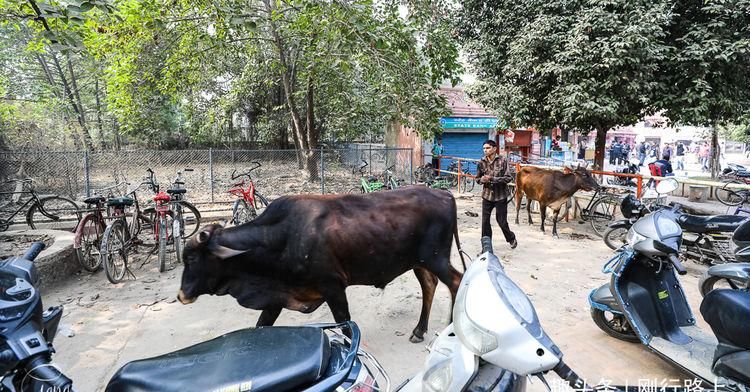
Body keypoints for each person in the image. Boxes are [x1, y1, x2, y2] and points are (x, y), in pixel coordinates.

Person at [476, 140, 517, 249]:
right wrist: (482, 180)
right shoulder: (481, 162)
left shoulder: (503, 160)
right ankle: (486, 248)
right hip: (487, 196)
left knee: (501, 221)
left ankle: (511, 238)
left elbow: (509, 178)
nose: (485, 150)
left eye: (488, 148)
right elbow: (477, 179)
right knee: (485, 223)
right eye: (484, 148)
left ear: (494, 149)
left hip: (500, 196)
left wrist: (493, 179)